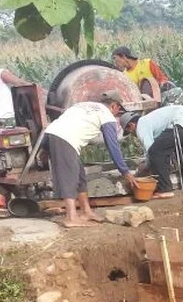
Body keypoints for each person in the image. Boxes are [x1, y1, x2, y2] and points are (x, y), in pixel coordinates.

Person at [42, 92, 137, 227]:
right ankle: (71, 217)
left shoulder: (82, 105)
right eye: (118, 110)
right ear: (113, 105)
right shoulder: (106, 115)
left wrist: (44, 149)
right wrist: (125, 172)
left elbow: (58, 124)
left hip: (52, 134)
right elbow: (112, 146)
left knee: (80, 175)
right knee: (69, 176)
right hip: (65, 139)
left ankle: (86, 211)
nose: (117, 113)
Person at [119, 104, 183, 198]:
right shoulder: (150, 120)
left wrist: (144, 168)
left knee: (156, 152)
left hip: (182, 120)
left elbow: (151, 150)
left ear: (131, 125)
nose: (133, 134)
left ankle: (165, 189)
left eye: (130, 131)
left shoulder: (140, 126)